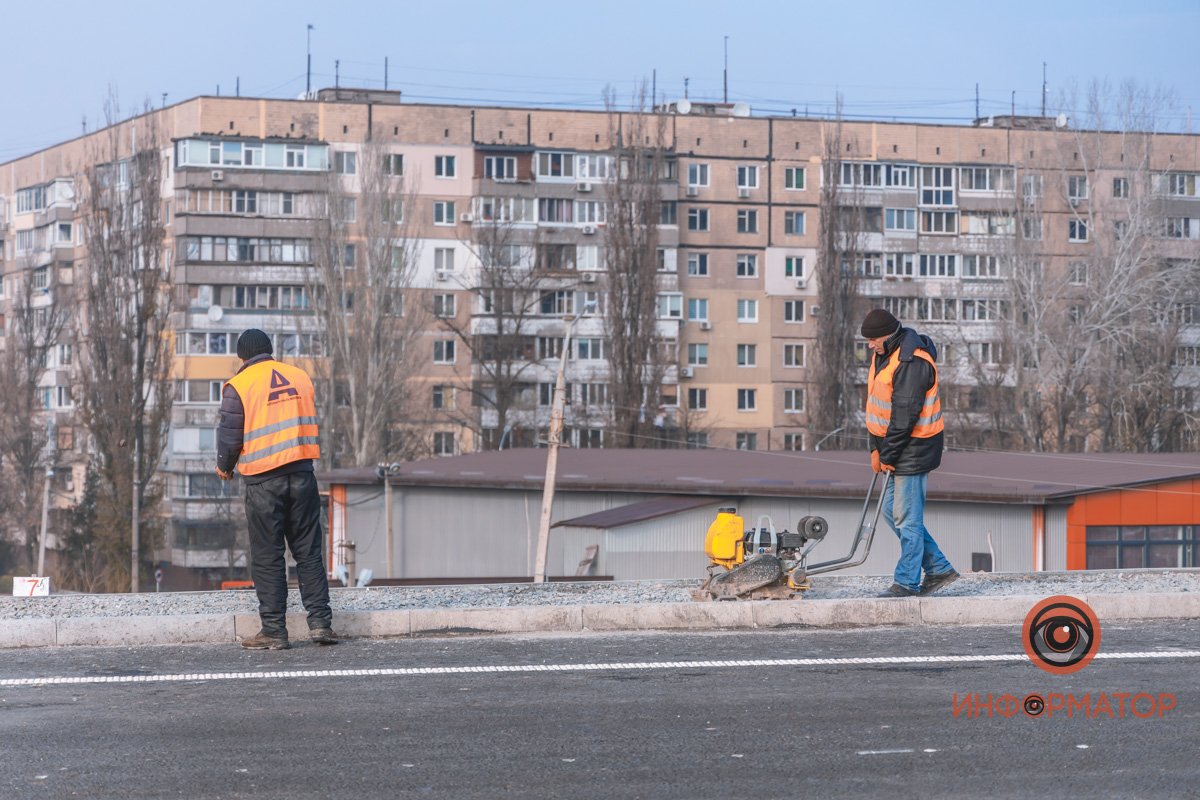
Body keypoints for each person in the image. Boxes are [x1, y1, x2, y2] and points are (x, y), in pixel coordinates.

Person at [216, 328, 338, 648]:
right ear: (269, 350)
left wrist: (225, 468)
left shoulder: (239, 386)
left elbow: (230, 435)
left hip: (262, 483)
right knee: (308, 551)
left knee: (269, 556)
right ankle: (321, 624)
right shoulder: (299, 377)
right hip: (302, 475)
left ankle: (273, 630)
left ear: (242, 356)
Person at [861, 308, 959, 598]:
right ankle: (939, 568)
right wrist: (875, 449)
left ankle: (906, 582)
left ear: (887, 336)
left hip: (913, 449)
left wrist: (887, 454)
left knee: (907, 519)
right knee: (892, 513)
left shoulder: (912, 361)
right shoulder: (884, 355)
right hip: (894, 447)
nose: (869, 345)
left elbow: (904, 416)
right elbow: (877, 407)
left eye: (872, 339)